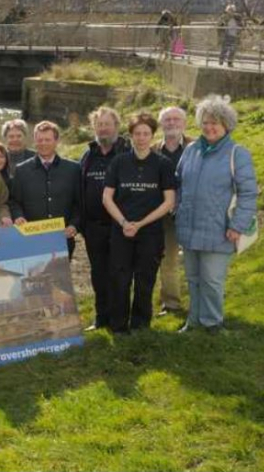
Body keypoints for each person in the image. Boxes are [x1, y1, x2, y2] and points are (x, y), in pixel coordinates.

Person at [176, 96, 257, 334]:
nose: (210, 127)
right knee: (192, 278)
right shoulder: (191, 150)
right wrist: (177, 209)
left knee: (211, 280)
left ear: (226, 126)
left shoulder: (237, 154)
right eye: (206, 122)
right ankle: (193, 320)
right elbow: (178, 181)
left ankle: (212, 323)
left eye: (216, 123)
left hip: (219, 229)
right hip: (189, 228)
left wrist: (238, 225)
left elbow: (248, 193)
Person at [102, 112, 176, 334]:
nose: (142, 138)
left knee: (145, 279)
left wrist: (141, 224)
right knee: (120, 279)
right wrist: (124, 222)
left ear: (153, 135)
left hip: (150, 232)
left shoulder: (163, 164)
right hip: (121, 231)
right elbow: (107, 197)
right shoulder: (119, 162)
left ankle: (141, 324)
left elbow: (169, 201)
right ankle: (118, 325)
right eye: (137, 133)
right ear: (131, 135)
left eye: (146, 133)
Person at [79, 107, 132, 331]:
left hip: (119, 226)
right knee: (98, 274)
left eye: (108, 124)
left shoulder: (126, 153)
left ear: (116, 127)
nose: (103, 129)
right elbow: (80, 188)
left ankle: (119, 322)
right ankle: (101, 318)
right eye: (99, 125)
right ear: (94, 128)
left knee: (119, 275)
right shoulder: (88, 154)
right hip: (94, 228)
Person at [9, 121, 81, 258]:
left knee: (59, 278)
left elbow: (79, 203)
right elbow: (14, 202)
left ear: (56, 141)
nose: (43, 143)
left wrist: (74, 225)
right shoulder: (21, 170)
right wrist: (18, 216)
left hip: (63, 239)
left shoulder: (73, 169)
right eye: (40, 140)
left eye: (47, 139)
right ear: (34, 141)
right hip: (31, 239)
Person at [151, 106, 193, 316]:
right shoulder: (152, 150)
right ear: (161, 125)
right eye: (167, 120)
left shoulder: (196, 147)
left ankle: (202, 302)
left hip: (193, 214)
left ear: (184, 124)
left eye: (176, 119)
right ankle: (171, 304)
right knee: (168, 260)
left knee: (198, 260)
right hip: (164, 216)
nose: (172, 123)